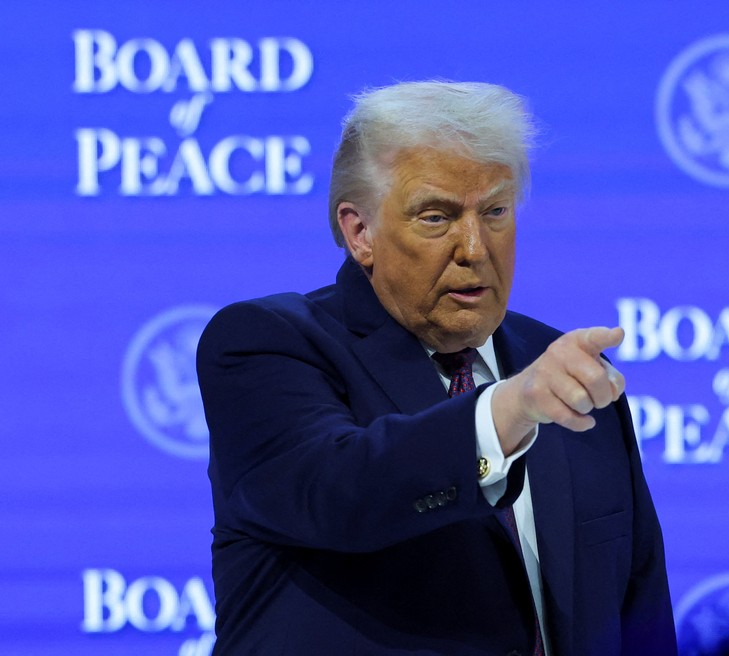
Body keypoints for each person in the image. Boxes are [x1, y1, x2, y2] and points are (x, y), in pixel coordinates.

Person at [197, 80, 677, 656]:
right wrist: (506, 410)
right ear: (360, 232)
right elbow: (341, 489)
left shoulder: (564, 373)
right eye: (436, 217)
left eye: (496, 211)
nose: (475, 247)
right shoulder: (267, 345)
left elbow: (639, 613)